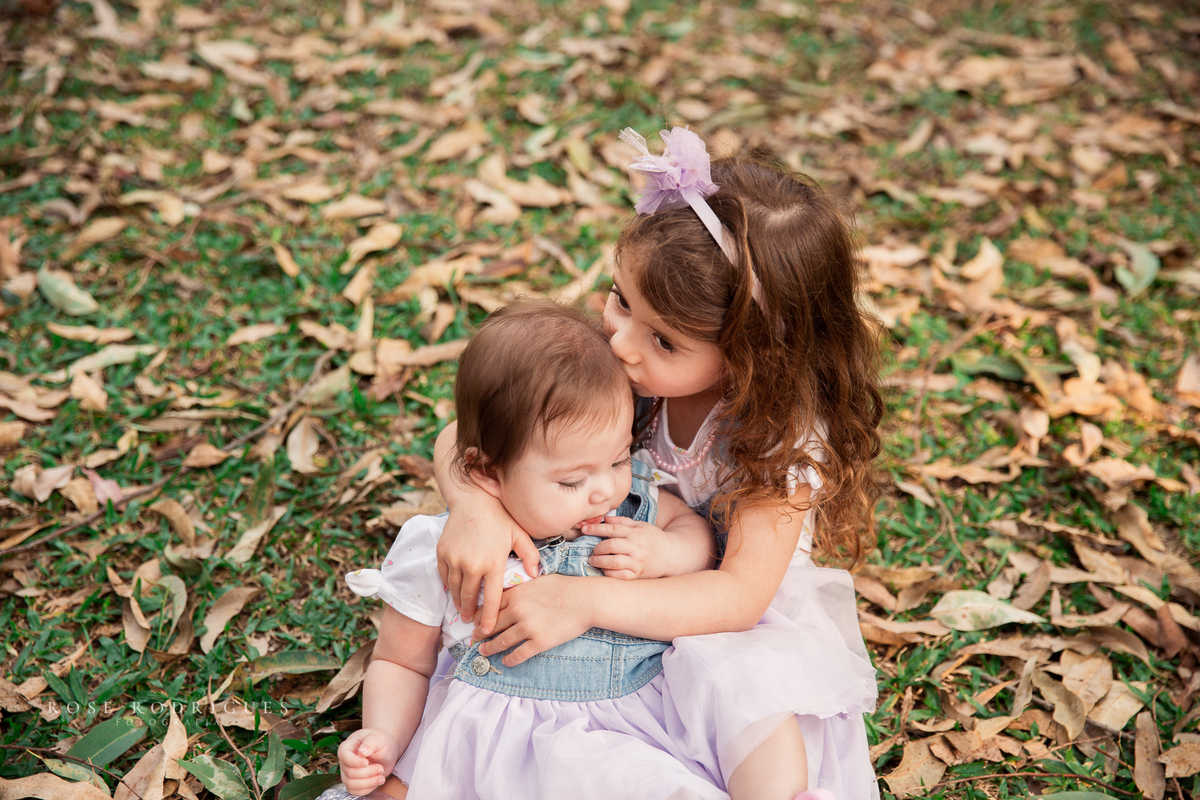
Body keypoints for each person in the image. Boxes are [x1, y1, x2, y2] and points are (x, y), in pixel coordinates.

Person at [433, 128, 884, 799]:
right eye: (619, 299)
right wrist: (470, 504)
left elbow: (739, 597)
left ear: (753, 354)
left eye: (663, 339)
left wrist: (585, 601)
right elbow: (472, 434)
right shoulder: (624, 359)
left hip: (721, 610)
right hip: (613, 560)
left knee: (736, 688)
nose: (619, 341)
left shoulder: (776, 437)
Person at [333, 298, 728, 800]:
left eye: (619, 458)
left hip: (629, 726)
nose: (605, 489)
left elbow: (695, 533)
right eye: (571, 481)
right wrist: (383, 736)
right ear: (488, 473)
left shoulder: (629, 506)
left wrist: (667, 553)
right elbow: (401, 662)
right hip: (494, 744)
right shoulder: (445, 550)